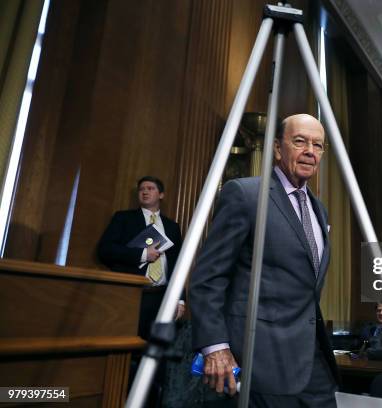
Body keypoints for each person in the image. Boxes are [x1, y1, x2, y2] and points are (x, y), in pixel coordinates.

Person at [189, 114, 339, 407]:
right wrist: (215, 347)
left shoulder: (319, 210)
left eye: (318, 145)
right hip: (260, 360)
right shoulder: (245, 194)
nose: (310, 150)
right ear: (278, 148)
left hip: (312, 361)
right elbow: (208, 277)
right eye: (300, 141)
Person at [98, 176, 185, 339]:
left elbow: (178, 265)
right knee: (128, 348)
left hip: (162, 297)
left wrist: (180, 299)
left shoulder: (172, 227)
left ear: (161, 195)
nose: (145, 191)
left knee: (157, 353)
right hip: (132, 295)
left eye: (150, 188)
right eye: (141, 189)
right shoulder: (123, 218)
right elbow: (105, 250)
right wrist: (143, 254)